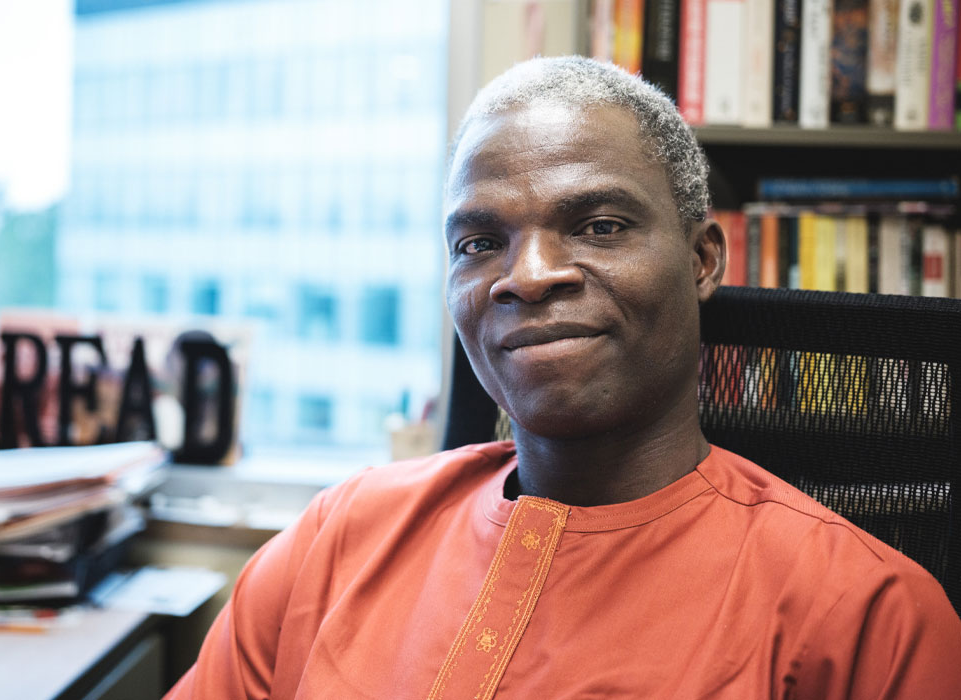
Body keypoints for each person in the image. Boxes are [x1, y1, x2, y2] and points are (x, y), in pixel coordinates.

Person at [163, 56, 961, 699]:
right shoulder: (336, 539)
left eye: (599, 226)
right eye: (479, 242)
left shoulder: (867, 617)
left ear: (702, 259)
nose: (529, 276)